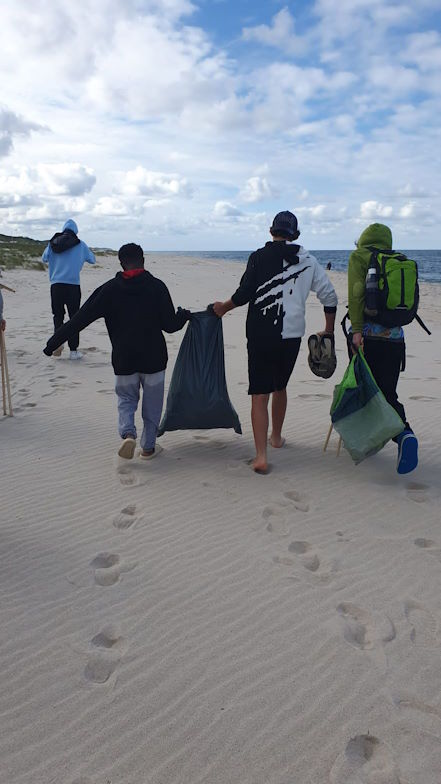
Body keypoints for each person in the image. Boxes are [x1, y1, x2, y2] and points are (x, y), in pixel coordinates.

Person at [213, 211, 338, 473]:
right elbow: (329, 296)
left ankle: (261, 456)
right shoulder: (308, 260)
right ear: (295, 234)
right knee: (280, 386)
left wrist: (223, 308)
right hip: (291, 336)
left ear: (271, 231)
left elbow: (244, 294)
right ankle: (277, 438)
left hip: (261, 334)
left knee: (260, 394)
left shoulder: (258, 257)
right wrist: (328, 331)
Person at [43, 243, 189, 459]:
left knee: (126, 400)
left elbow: (79, 319)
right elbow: (170, 325)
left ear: (121, 264)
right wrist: (183, 316)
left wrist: (52, 343)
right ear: (143, 260)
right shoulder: (157, 287)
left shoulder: (109, 290)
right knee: (153, 405)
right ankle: (148, 448)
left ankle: (128, 434)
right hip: (154, 359)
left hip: (124, 358)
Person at [348, 223, 418, 474]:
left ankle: (373, 439)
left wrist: (357, 331)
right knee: (388, 392)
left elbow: (356, 295)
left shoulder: (359, 257)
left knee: (362, 388)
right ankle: (404, 434)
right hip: (396, 338)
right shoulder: (397, 259)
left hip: (367, 337)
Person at [42, 219, 96, 360]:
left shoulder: (53, 243)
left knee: (58, 316)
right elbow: (92, 260)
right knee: (74, 318)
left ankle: (57, 343)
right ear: (75, 231)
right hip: (72, 286)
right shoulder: (80, 245)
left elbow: (44, 258)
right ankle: (73, 351)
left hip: (56, 285)